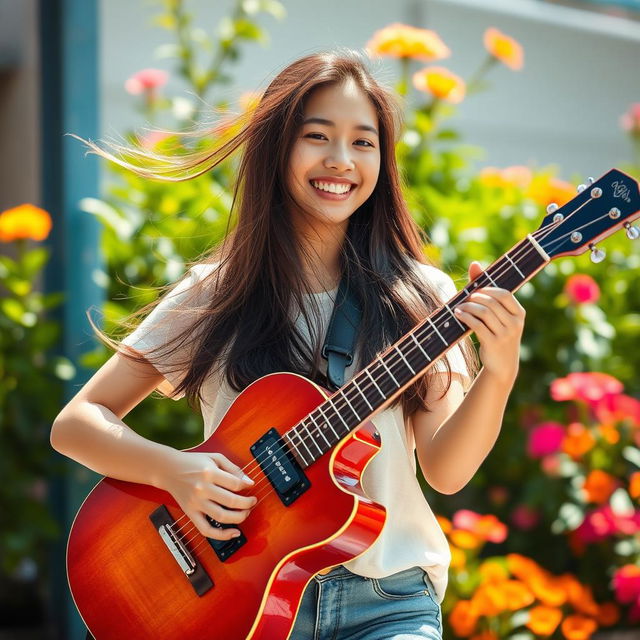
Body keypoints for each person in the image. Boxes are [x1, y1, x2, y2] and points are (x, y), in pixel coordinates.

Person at [51, 48, 526, 640]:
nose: (340, 160)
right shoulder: (216, 293)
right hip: (245, 605)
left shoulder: (420, 295)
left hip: (389, 602)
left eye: (363, 141)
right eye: (318, 136)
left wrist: (499, 372)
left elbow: (447, 471)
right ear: (277, 149)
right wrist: (175, 472)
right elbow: (76, 423)